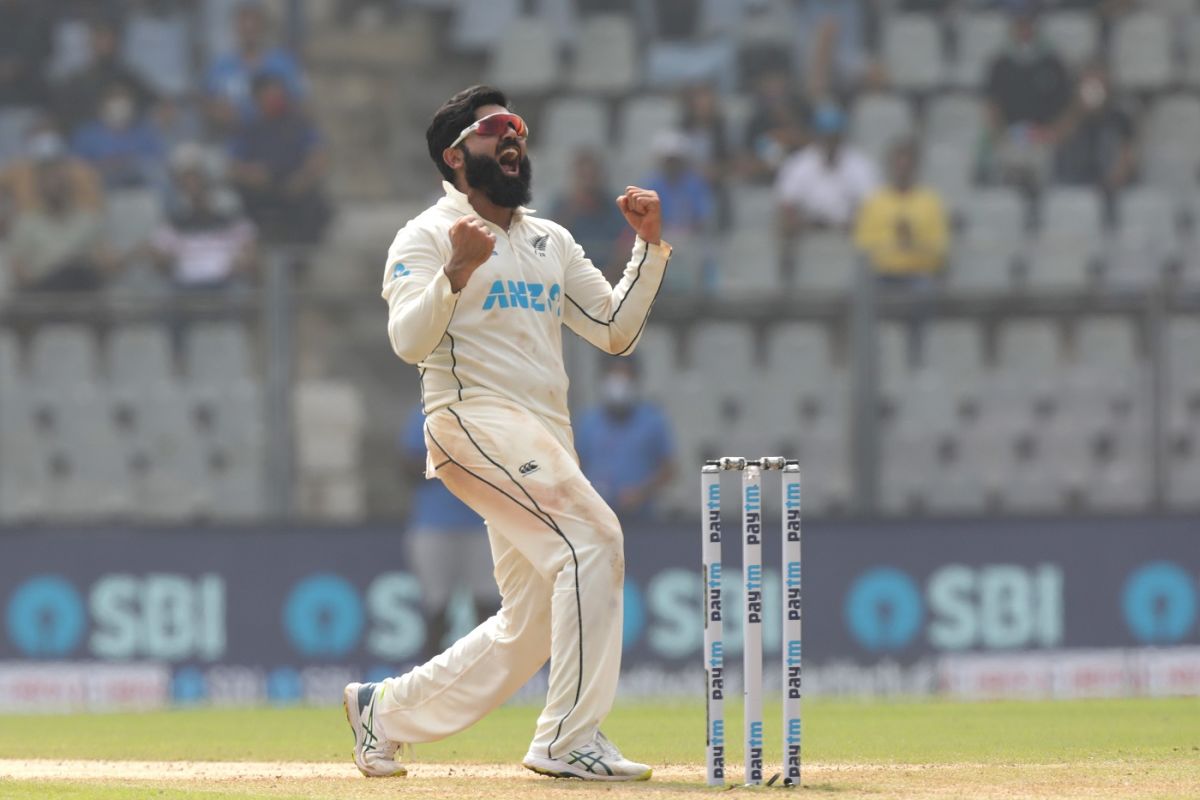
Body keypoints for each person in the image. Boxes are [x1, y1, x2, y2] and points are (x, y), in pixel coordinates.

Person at [342, 85, 670, 782]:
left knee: (531, 624)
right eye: (496, 130)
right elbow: (407, 341)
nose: (514, 136)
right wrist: (455, 274)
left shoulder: (551, 240)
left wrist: (646, 252)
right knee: (596, 540)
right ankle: (568, 739)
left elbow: (614, 330)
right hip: (471, 419)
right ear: (457, 157)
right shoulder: (427, 236)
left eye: (519, 126)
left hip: (543, 436)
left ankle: (382, 711)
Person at [399, 404, 500, 662]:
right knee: (436, 608)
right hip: (434, 523)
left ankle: (487, 677)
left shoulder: (484, 414)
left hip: (481, 522)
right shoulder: (425, 415)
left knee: (488, 608)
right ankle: (433, 679)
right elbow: (407, 466)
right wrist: (448, 463)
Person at [228, 73, 330, 244]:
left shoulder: (299, 123)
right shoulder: (248, 127)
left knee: (316, 206)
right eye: (269, 95)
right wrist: (250, 173)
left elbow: (317, 155)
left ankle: (301, 253)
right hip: (261, 187)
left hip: (294, 184)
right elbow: (234, 164)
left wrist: (303, 178)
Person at [776, 104, 877, 274]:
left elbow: (871, 209)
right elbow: (786, 207)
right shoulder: (799, 164)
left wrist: (848, 225)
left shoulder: (860, 165)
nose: (829, 144)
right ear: (816, 136)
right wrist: (805, 226)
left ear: (842, 137)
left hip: (849, 236)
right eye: (825, 138)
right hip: (807, 235)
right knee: (782, 230)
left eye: (834, 138)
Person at [982, 1, 1073, 189]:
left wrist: (1052, 134)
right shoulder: (1000, 64)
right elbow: (992, 106)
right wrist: (1000, 136)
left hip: (1043, 138)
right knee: (1004, 169)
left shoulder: (1053, 62)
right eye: (1019, 23)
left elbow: (1066, 107)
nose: (1023, 28)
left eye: (1028, 22)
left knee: (1044, 166)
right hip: (1010, 137)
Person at [6, 132, 110, 292]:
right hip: (42, 293)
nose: (54, 183)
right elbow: (17, 266)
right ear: (40, 185)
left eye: (59, 177)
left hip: (82, 291)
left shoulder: (88, 220)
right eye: (48, 178)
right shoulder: (27, 222)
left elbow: (103, 260)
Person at [574, 358, 676, 519]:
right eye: (614, 374)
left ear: (636, 380)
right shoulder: (588, 421)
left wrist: (641, 493)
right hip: (596, 518)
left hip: (641, 520)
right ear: (603, 379)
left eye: (625, 375)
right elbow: (576, 467)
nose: (619, 381)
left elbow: (668, 470)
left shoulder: (653, 420)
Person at [854, 138, 949, 281]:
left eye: (907, 166)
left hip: (919, 274)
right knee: (864, 287)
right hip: (882, 275)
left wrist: (912, 240)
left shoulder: (931, 202)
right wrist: (895, 242)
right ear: (890, 166)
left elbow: (940, 248)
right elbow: (863, 245)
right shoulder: (874, 202)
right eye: (899, 165)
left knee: (926, 288)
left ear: (915, 167)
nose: (902, 170)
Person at [204, 0, 306, 131]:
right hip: (229, 139)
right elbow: (206, 106)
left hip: (273, 138)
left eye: (254, 19)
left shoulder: (283, 63)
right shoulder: (220, 66)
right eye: (243, 19)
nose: (249, 26)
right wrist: (219, 112)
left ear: (263, 24)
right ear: (234, 25)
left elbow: (300, 105)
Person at [1052, 62, 1137, 199]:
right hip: (1070, 188)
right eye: (1089, 84)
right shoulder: (1070, 112)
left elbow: (1125, 161)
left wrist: (1106, 189)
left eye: (1099, 83)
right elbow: (1056, 138)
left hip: (1108, 192)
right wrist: (1078, 112)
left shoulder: (1120, 118)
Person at [549, 149, 626, 281]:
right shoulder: (561, 206)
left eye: (592, 176)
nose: (588, 183)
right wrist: (573, 209)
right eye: (583, 177)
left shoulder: (616, 207)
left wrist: (604, 279)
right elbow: (549, 243)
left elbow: (626, 246)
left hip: (609, 278)